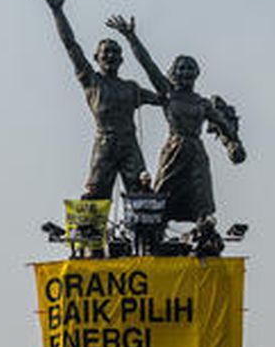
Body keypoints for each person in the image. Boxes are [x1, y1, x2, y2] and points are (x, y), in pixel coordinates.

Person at [105, 15, 246, 223]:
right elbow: (148, 64)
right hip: (174, 149)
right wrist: (131, 37)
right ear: (173, 73)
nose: (186, 72)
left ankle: (203, 231)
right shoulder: (168, 93)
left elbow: (223, 126)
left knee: (201, 199)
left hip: (196, 153)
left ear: (196, 73)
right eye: (182, 68)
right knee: (161, 196)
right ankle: (154, 233)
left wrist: (233, 143)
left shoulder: (202, 103)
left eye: (190, 68)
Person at [35, 0, 160, 200]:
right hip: (105, 144)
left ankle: (146, 234)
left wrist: (132, 38)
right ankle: (90, 232)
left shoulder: (131, 88)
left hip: (130, 145)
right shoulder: (92, 81)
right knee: (95, 198)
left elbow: (165, 98)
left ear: (122, 59)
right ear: (96, 58)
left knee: (142, 196)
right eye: (106, 53)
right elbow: (71, 45)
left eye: (115, 53)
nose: (110, 56)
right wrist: (57, 11)